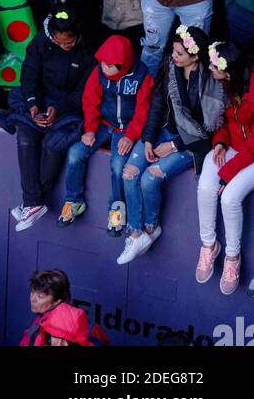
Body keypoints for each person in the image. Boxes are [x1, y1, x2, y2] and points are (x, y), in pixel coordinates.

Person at [119, 25, 225, 266]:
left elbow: (209, 129)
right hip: (163, 131)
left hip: (192, 142)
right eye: (173, 51)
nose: (173, 56)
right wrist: (148, 139)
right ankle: (135, 235)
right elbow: (157, 105)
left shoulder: (209, 81)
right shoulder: (171, 67)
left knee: (149, 178)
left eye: (179, 53)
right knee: (129, 173)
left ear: (195, 56)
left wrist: (174, 146)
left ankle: (150, 228)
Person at [0, 9, 90, 233]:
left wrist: (58, 109)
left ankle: (32, 202)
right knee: (26, 139)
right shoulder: (41, 41)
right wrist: (33, 105)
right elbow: (29, 74)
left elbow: (85, 91)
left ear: (77, 36)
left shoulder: (88, 52)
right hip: (38, 101)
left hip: (70, 108)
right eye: (59, 43)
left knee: (52, 144)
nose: (63, 46)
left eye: (68, 43)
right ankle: (33, 202)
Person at [58, 34, 155, 234]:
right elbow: (90, 100)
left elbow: (143, 110)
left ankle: (117, 208)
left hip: (126, 130)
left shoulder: (142, 76)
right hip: (103, 124)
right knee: (75, 153)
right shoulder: (99, 72)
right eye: (102, 63)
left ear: (124, 64)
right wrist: (90, 129)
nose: (104, 68)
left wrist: (131, 135)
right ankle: (74, 200)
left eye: (110, 66)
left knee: (118, 164)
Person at [196, 41, 254, 297]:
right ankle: (209, 246)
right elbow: (223, 121)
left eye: (213, 65)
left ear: (227, 70)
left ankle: (232, 257)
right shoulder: (225, 85)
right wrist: (220, 142)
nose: (209, 68)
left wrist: (226, 175)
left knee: (229, 197)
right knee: (205, 186)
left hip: (251, 155)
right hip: (231, 147)